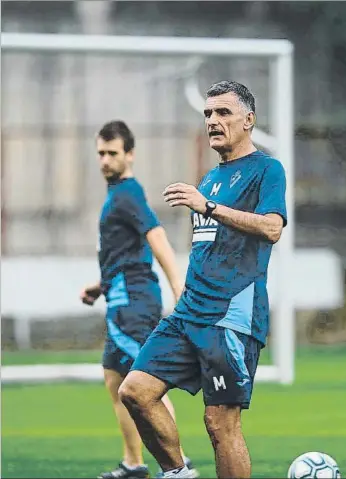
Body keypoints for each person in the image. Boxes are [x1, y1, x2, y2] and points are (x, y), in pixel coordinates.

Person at [118, 81, 288, 479]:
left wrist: (208, 206)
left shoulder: (267, 170)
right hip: (188, 313)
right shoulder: (210, 178)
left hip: (230, 316)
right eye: (208, 114)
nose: (213, 120)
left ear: (249, 120)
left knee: (220, 424)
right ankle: (179, 473)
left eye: (223, 113)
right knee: (135, 392)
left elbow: (272, 228)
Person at [80, 121, 198, 479]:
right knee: (116, 381)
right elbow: (124, 254)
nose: (104, 160)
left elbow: (156, 236)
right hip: (119, 300)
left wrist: (178, 284)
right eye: (100, 152)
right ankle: (134, 464)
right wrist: (99, 286)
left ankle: (179, 463)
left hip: (135, 303)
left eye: (112, 153)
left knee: (146, 384)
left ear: (129, 154)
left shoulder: (129, 193)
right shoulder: (116, 195)